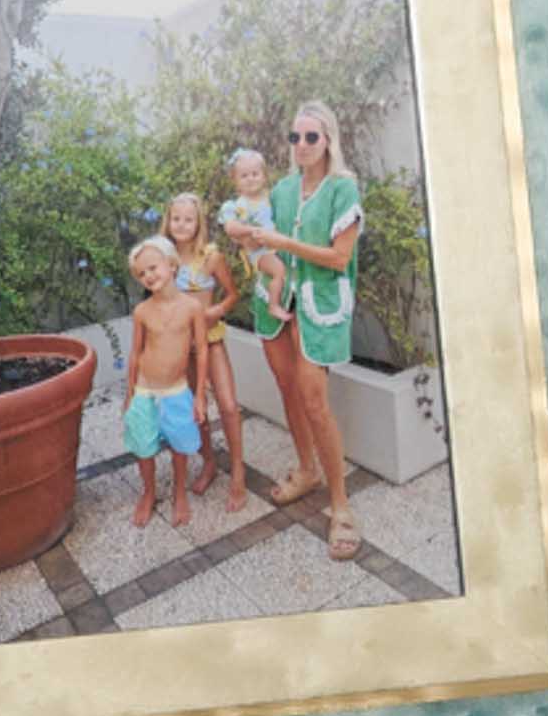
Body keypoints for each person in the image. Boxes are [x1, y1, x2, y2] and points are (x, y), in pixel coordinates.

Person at [237, 107, 365, 563]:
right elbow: (256, 232)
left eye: (312, 136)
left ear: (328, 139)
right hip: (277, 300)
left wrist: (285, 244)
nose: (302, 144)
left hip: (320, 303)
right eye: (295, 136)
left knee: (314, 399)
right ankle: (307, 469)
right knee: (288, 390)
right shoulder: (284, 190)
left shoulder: (342, 188)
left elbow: (337, 257)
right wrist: (243, 234)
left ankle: (342, 504)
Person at [158, 190, 246, 508]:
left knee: (229, 404)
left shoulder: (211, 257)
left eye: (188, 219)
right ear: (168, 221)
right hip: (182, 347)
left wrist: (214, 312)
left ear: (199, 223)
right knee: (197, 410)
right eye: (176, 218)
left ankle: (237, 472)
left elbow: (232, 294)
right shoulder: (162, 260)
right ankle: (209, 461)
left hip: (212, 341)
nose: (182, 225)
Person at [118, 238, 210, 532]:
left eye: (153, 267)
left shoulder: (192, 307)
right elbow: (135, 353)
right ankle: (149, 491)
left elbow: (203, 350)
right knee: (144, 446)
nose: (149, 276)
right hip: (145, 389)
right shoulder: (142, 311)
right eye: (142, 273)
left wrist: (200, 397)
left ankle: (179, 492)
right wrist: (130, 393)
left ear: (172, 265)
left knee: (180, 444)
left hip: (177, 390)